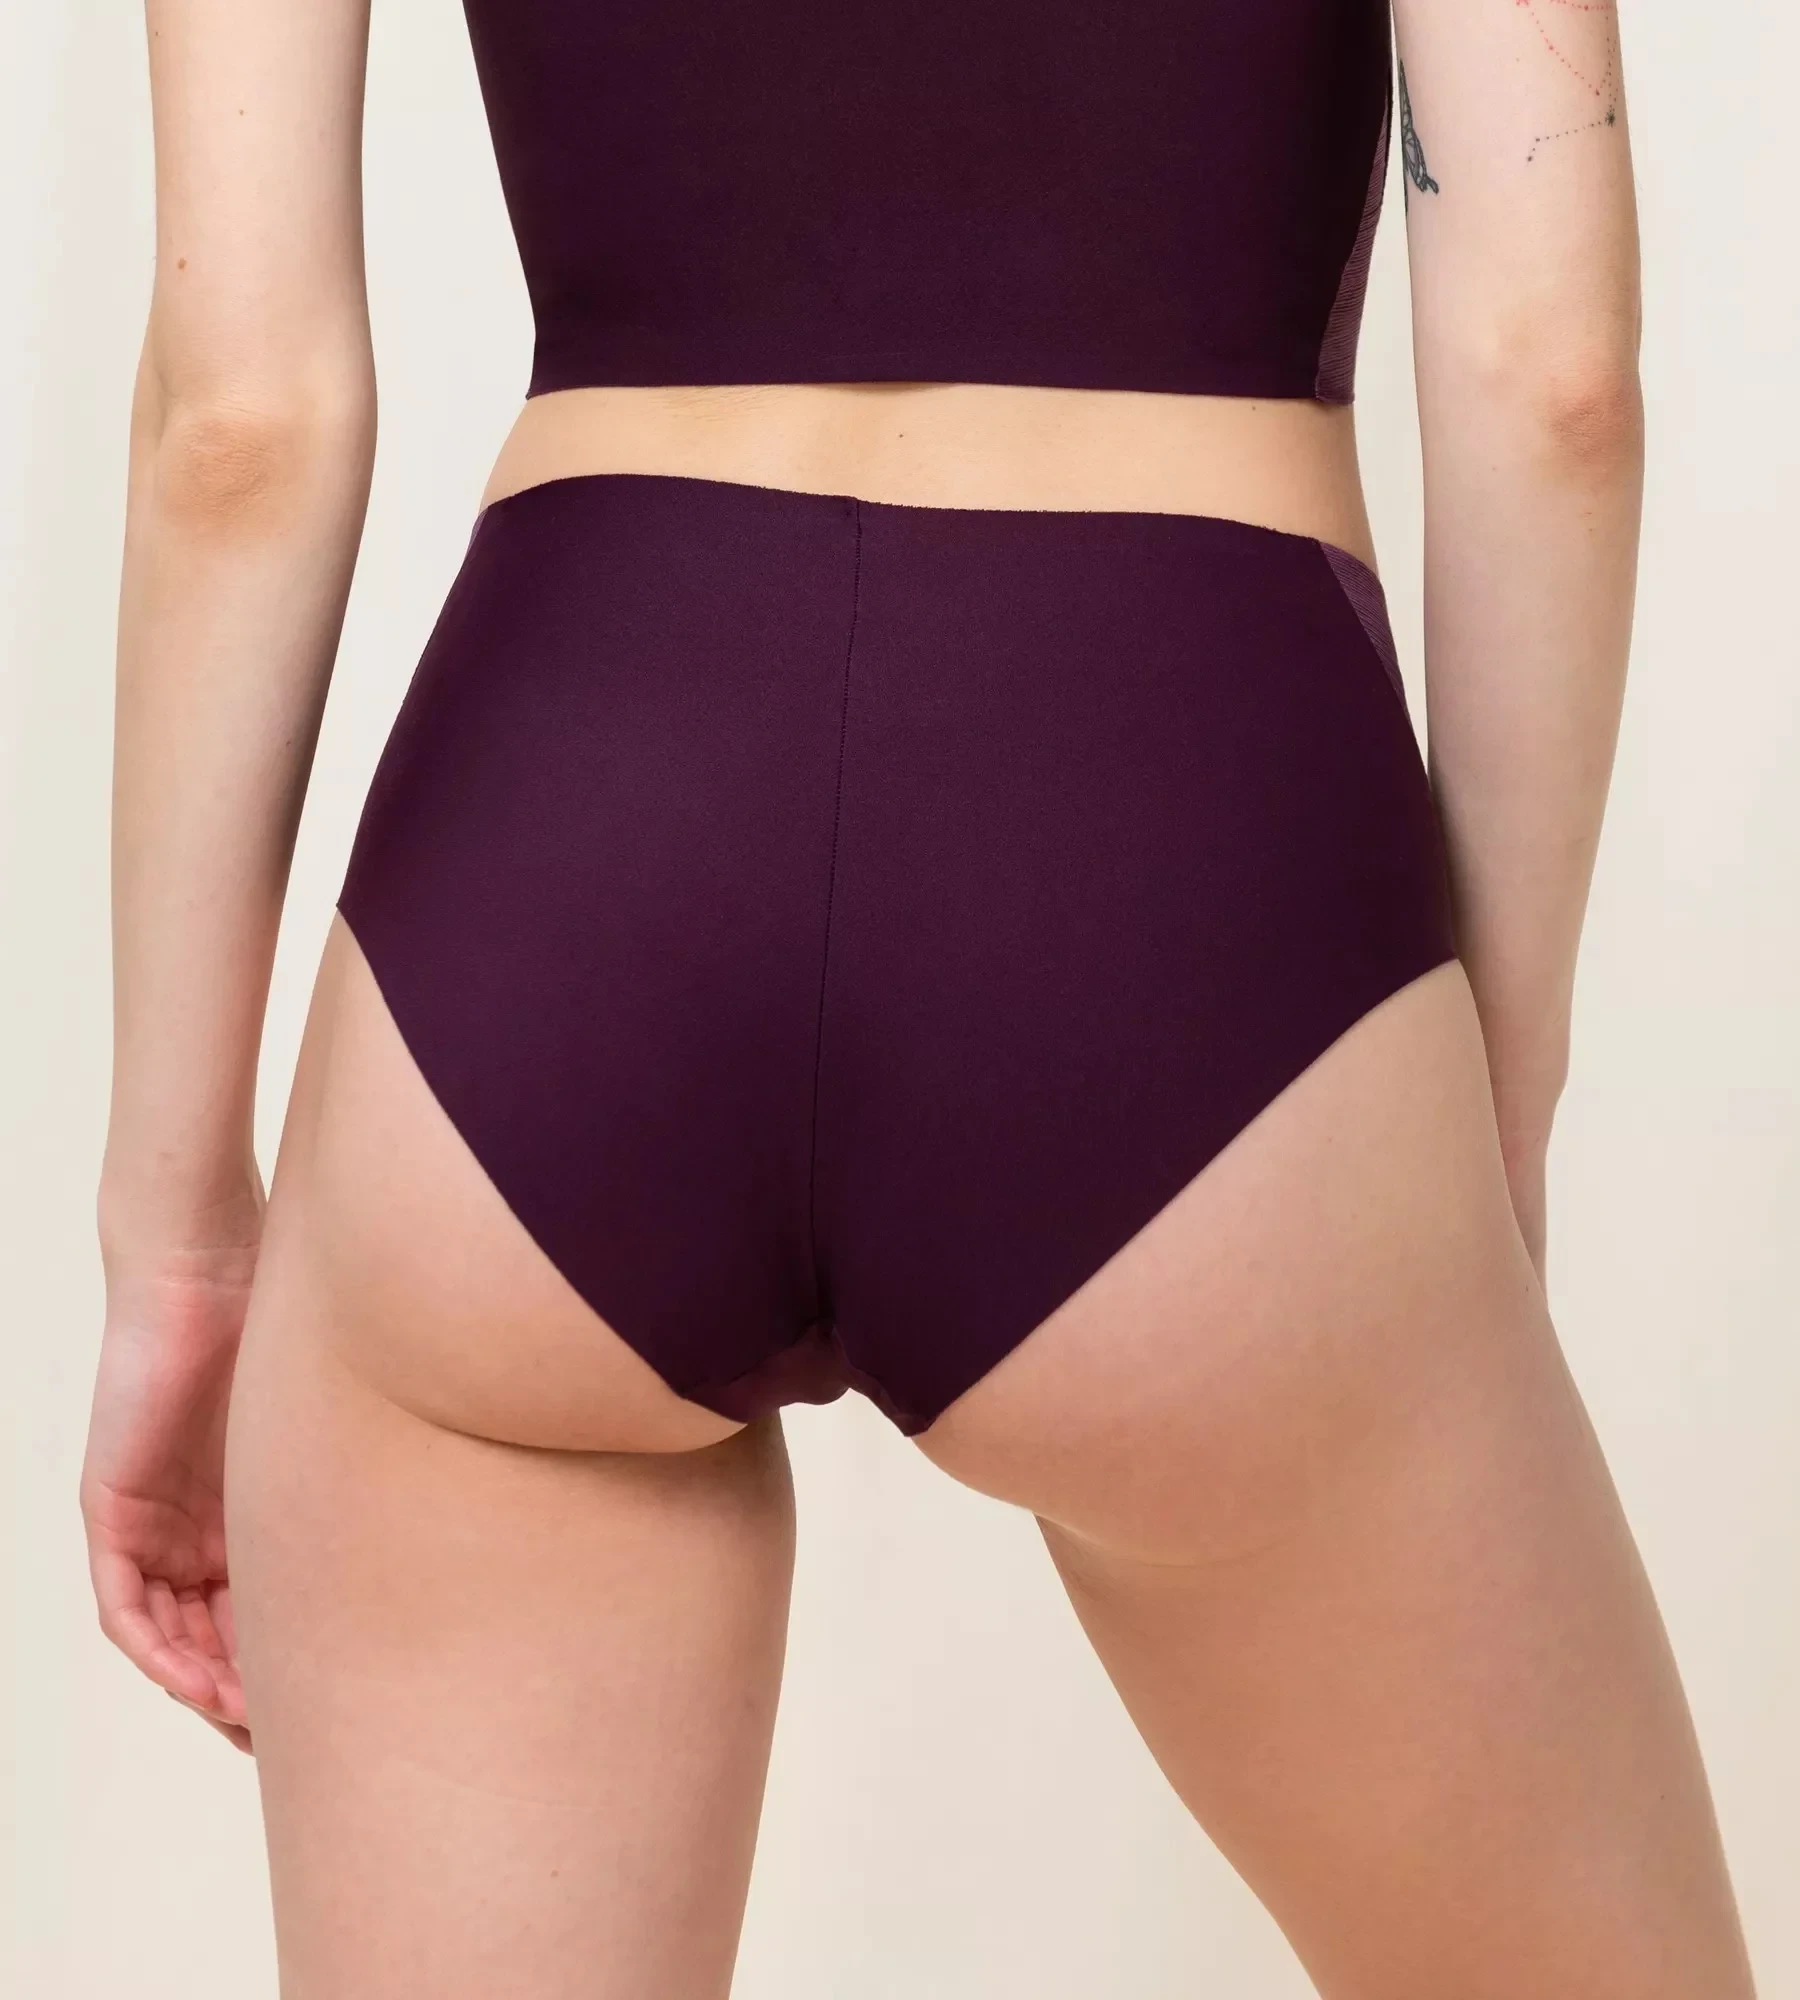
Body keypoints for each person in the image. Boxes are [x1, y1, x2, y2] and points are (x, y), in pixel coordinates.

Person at [80, 0, 1758, 1993]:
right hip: (1175, 866)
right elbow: (1553, 378)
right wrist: (1481, 1102)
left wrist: (180, 1246)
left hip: (551, 897)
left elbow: (239, 422)